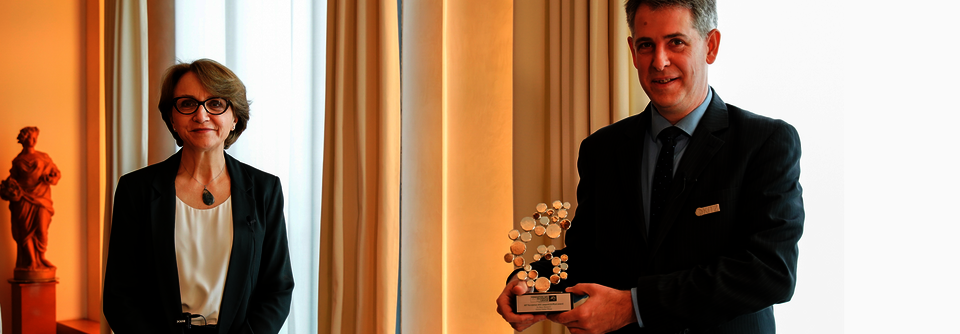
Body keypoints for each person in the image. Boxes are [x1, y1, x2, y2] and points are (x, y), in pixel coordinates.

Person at [496, 0, 803, 333]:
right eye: (646, 45)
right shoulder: (602, 149)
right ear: (632, 50)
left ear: (710, 45)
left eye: (676, 42)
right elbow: (586, 256)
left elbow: (771, 271)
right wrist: (530, 283)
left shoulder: (765, 142)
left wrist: (635, 306)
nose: (659, 61)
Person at [103, 59, 294, 333]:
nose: (201, 115)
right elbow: (119, 295)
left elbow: (277, 288)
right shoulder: (136, 190)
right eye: (187, 104)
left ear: (235, 118)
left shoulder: (265, 190)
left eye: (216, 104)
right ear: (172, 117)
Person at [1, 126, 61, 280]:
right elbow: (11, 181)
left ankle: (41, 257)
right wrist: (9, 191)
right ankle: (32, 262)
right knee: (25, 232)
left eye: (35, 137)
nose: (33, 140)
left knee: (41, 229)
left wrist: (52, 179)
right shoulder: (18, 161)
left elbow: (56, 173)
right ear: (23, 139)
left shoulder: (44, 157)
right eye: (29, 137)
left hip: (41, 198)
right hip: (22, 200)